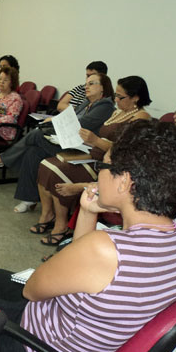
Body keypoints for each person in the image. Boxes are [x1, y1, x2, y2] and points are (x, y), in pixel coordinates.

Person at [0, 119, 176, 352]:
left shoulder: (106, 249)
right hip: (77, 347)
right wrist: (87, 212)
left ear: (125, 182)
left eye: (102, 167)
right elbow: (81, 269)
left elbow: (34, 291)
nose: (98, 175)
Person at [31, 76, 152, 245]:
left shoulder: (140, 118)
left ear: (136, 97)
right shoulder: (119, 112)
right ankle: (48, 214)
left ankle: (61, 225)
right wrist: (85, 140)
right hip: (93, 154)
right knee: (46, 164)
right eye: (116, 95)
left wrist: (95, 141)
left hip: (109, 165)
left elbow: (123, 150)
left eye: (120, 97)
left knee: (57, 170)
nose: (116, 100)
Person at [0, 72, 115, 213]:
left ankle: (2, 159)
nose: (86, 87)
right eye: (86, 84)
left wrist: (53, 121)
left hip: (82, 150)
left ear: (103, 88)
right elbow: (67, 117)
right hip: (67, 141)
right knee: (32, 152)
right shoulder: (87, 102)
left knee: (36, 135)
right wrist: (54, 120)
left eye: (91, 84)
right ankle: (28, 199)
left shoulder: (105, 106)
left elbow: (79, 123)